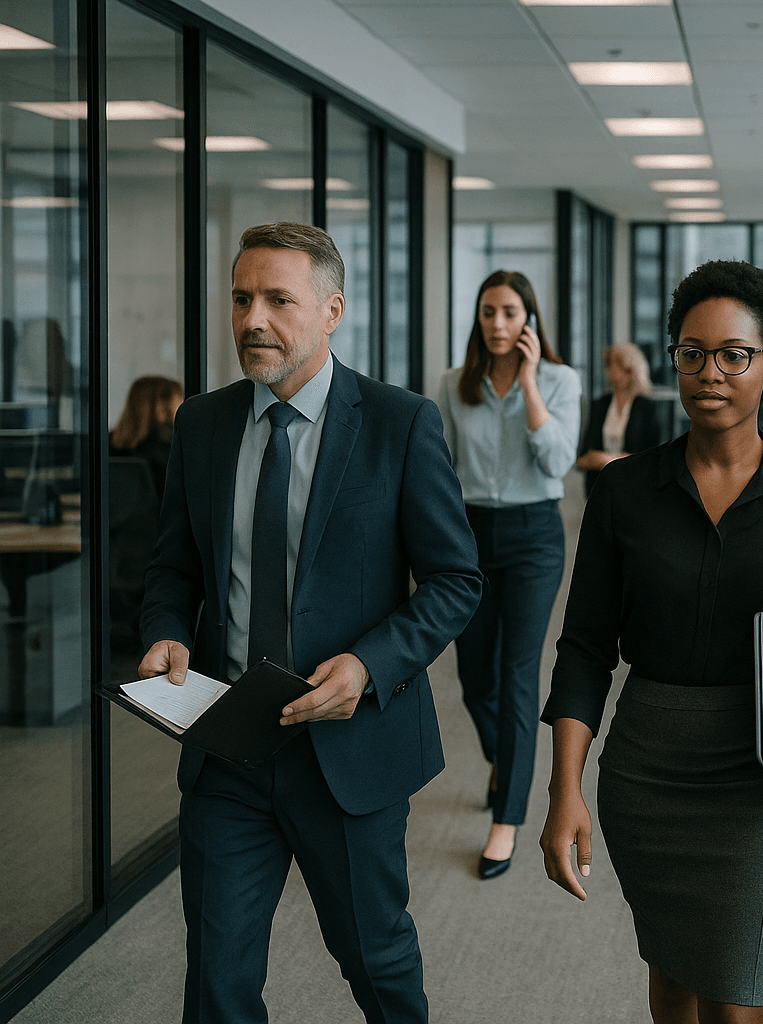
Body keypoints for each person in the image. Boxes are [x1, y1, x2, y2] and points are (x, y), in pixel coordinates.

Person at [138, 222, 481, 1024]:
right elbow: (173, 568)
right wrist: (166, 630)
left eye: (277, 299)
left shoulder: (400, 424)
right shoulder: (202, 423)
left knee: (377, 963)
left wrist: (367, 666)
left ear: (332, 311)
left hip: (348, 752)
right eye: (241, 298)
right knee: (216, 985)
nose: (252, 318)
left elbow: (456, 580)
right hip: (228, 749)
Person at [539, 259, 763, 1024]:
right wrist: (565, 790)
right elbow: (584, 649)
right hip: (650, 769)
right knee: (675, 986)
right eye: (692, 353)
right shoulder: (624, 493)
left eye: (734, 355)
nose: (710, 372)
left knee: (742, 1001)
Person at [436, 269, 581, 879]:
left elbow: (559, 461)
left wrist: (528, 386)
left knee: (519, 673)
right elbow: (438, 467)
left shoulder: (558, 380)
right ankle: (506, 760)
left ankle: (508, 818)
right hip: (467, 536)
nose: (498, 324)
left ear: (530, 320)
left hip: (533, 537)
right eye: (489, 312)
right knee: (474, 676)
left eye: (510, 312)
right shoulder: (452, 384)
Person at [576, 341, 669, 495]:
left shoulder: (647, 407)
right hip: (600, 488)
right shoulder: (600, 405)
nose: (609, 370)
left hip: (636, 488)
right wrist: (595, 460)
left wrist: (612, 460)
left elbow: (656, 457)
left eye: (613, 364)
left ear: (630, 369)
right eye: (608, 364)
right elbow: (582, 456)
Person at [109, 375, 183, 501]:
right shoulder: (169, 448)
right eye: (179, 398)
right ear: (163, 405)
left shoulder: (106, 444)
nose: (183, 404)